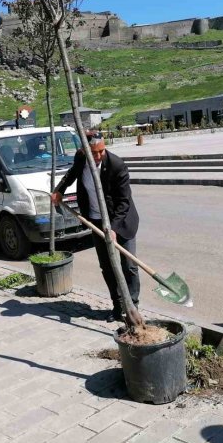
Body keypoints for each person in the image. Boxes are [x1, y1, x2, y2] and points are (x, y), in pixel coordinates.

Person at [50, 131, 140, 322]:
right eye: (94, 153)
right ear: (85, 151)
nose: (98, 156)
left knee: (129, 265)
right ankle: (117, 306)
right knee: (107, 266)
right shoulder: (82, 159)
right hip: (96, 220)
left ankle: (132, 306)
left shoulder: (117, 165)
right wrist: (59, 191)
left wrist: (113, 228)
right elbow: (71, 174)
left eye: (101, 151)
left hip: (121, 222)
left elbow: (124, 202)